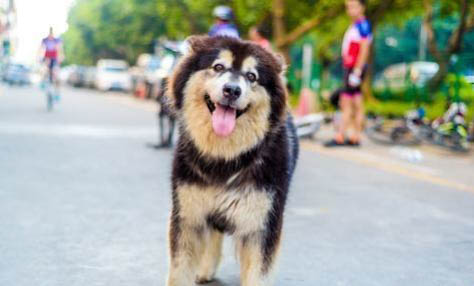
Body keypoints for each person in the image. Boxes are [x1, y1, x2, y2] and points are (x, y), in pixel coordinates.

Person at [325, 0, 372, 147]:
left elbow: (364, 49)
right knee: (356, 102)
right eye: (348, 7)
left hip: (354, 69)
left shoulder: (363, 25)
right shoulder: (356, 25)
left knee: (346, 102)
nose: (350, 10)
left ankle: (340, 135)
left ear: (362, 7)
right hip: (351, 68)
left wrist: (357, 72)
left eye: (353, 7)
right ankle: (355, 136)